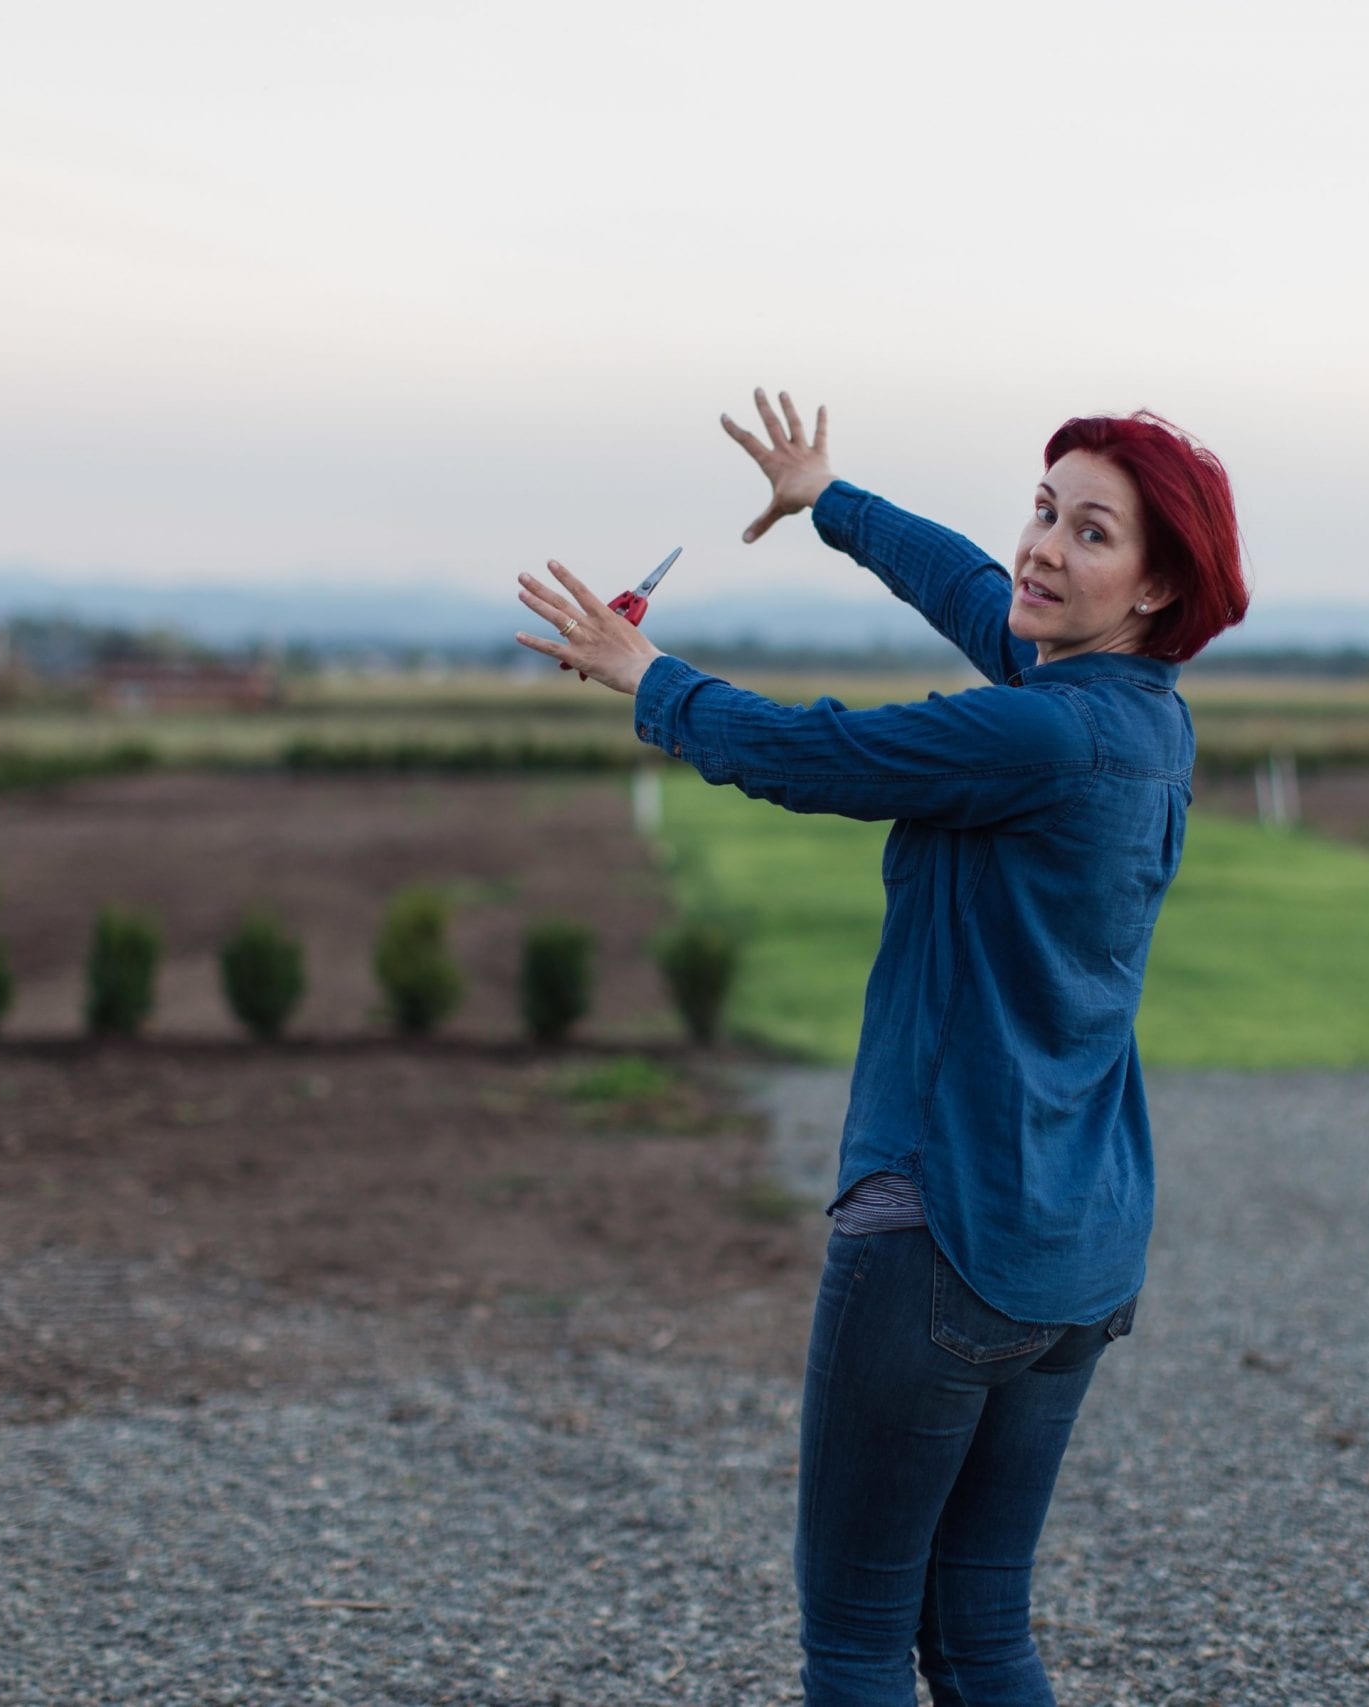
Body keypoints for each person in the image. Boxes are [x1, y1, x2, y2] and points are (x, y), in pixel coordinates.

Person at [513, 388, 1248, 1705]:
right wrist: (828, 502)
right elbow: (977, 595)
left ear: (1156, 587)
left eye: (1091, 533)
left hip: (944, 1231)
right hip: (1072, 1252)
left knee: (855, 1644)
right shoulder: (1141, 723)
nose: (1041, 546)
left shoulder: (1040, 732)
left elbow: (820, 753)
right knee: (980, 1634)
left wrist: (647, 682)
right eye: (1043, 508)